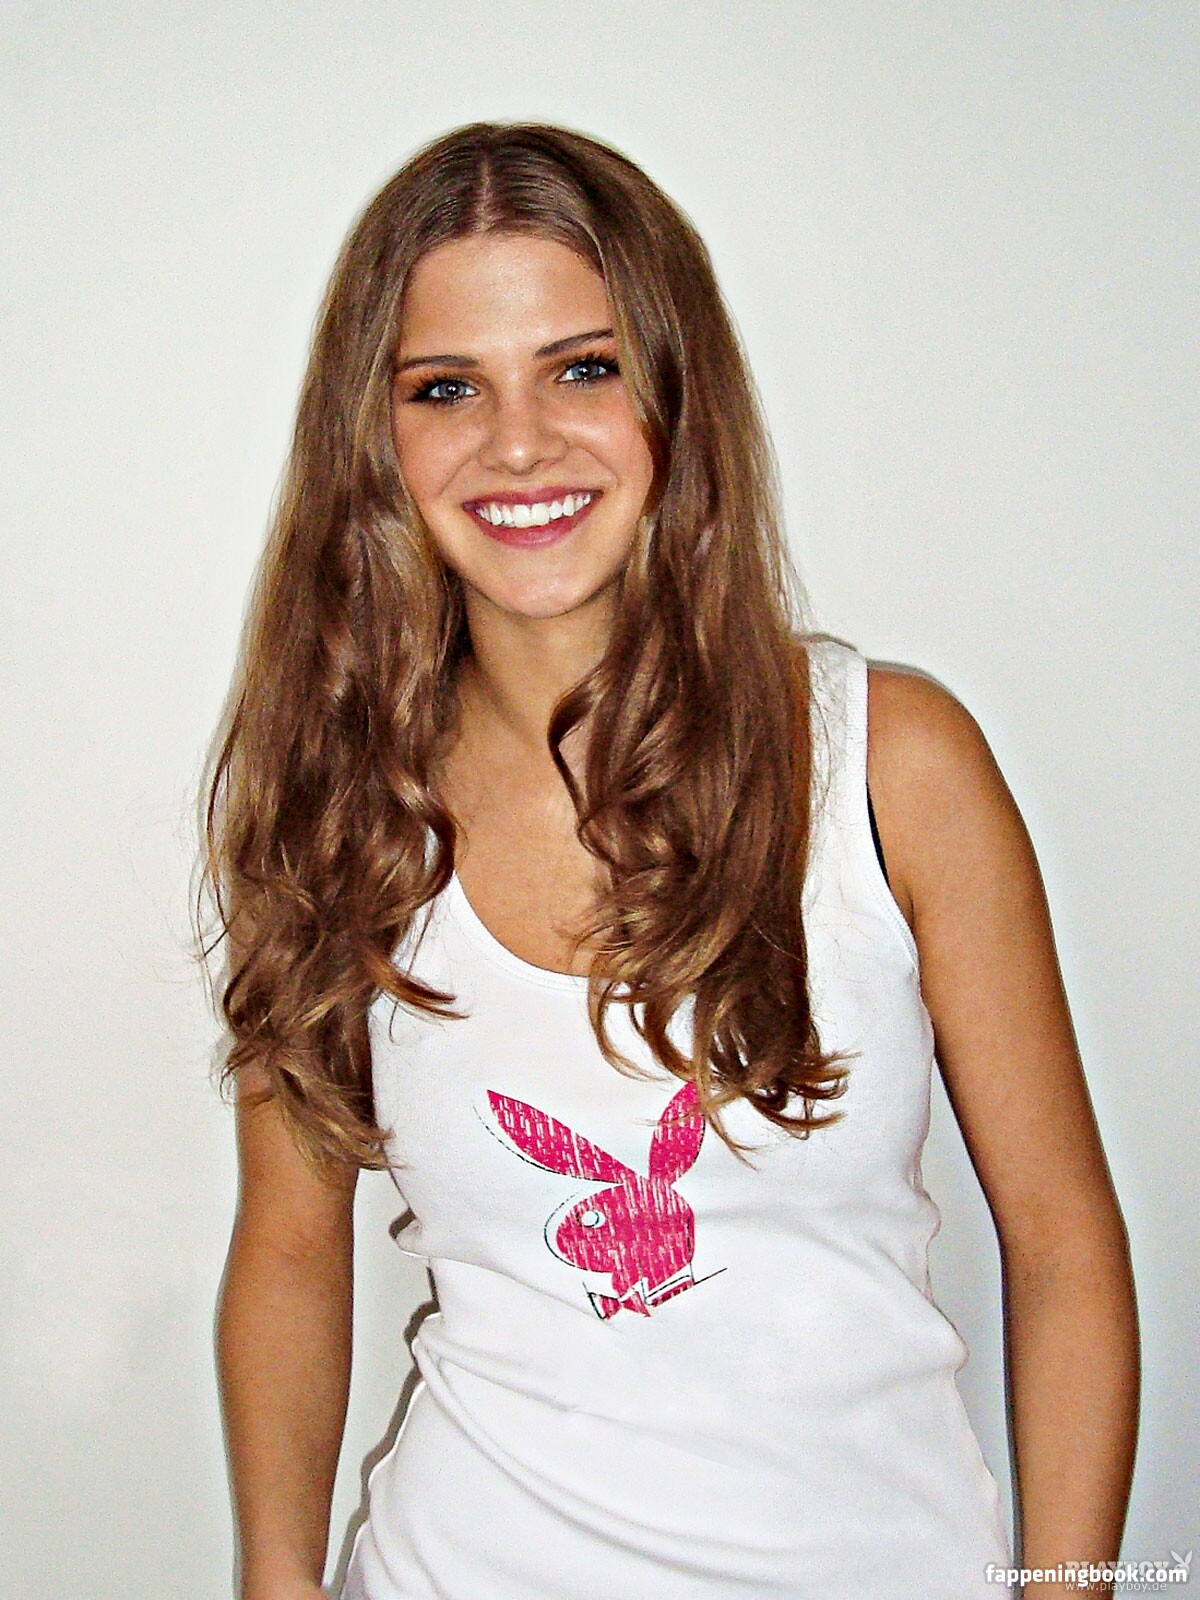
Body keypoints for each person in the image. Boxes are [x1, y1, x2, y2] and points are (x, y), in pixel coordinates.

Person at [206, 122, 1138, 1600]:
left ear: (675, 395)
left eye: (583, 369)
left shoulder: (891, 765)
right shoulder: (340, 801)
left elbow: (1065, 1243)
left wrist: (1072, 1593)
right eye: (447, 388)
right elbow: (288, 1256)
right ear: (376, 442)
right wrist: (276, 1586)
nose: (519, 443)